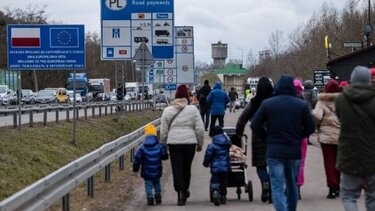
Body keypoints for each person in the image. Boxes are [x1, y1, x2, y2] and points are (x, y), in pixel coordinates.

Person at [251, 75, 315, 211]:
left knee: (277, 186)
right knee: (291, 184)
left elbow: (255, 124)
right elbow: (311, 127)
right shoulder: (301, 104)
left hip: (274, 151)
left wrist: (266, 138)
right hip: (293, 151)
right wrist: (299, 136)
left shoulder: (268, 104)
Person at [335, 66, 375, 211]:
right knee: (372, 197)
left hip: (349, 155)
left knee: (348, 195)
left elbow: (340, 118)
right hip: (372, 155)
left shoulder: (341, 100)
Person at [160, 84, 205, 206]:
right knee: (186, 168)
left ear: (175, 96)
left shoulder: (167, 111)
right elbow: (200, 129)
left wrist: (163, 145)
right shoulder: (193, 110)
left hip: (174, 144)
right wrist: (200, 144)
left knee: (177, 168)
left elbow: (163, 130)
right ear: (187, 96)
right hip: (189, 144)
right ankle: (185, 189)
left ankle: (180, 192)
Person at [235, 77, 273, 203]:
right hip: (275, 137)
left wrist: (238, 134)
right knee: (274, 166)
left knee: (260, 165)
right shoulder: (275, 101)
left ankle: (265, 182)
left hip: (258, 137)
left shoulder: (254, 102)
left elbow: (242, 119)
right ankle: (272, 189)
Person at [312, 79, 341, 199]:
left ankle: (332, 188)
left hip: (326, 136)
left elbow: (317, 116)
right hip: (341, 135)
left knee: (329, 162)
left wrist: (319, 124)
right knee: (338, 162)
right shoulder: (343, 101)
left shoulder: (321, 101)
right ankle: (338, 186)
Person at [133, 124, 169, 206]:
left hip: (146, 171)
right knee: (157, 183)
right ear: (155, 134)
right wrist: (165, 155)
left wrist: (135, 168)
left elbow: (137, 159)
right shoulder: (159, 146)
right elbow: (164, 156)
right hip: (157, 170)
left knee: (148, 184)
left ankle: (150, 198)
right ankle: (158, 196)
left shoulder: (142, 148)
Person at [203, 126, 231, 206]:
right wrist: (225, 135)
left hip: (215, 168)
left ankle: (215, 192)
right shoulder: (226, 143)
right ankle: (223, 196)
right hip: (225, 167)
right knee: (223, 182)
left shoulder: (211, 145)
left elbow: (208, 155)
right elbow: (230, 142)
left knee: (215, 181)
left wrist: (206, 163)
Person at [293, 79, 309, 200]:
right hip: (301, 138)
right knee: (300, 163)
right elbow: (310, 124)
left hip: (287, 138)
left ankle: (289, 186)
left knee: (287, 163)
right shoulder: (304, 104)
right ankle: (297, 188)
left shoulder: (286, 103)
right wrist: (305, 134)